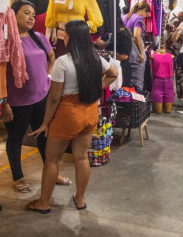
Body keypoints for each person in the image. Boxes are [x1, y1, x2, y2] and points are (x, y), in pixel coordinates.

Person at [26, 20, 118, 213]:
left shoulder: (63, 61)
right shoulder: (95, 58)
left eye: (64, 33)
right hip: (90, 111)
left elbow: (53, 98)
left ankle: (43, 202)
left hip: (68, 113)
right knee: (82, 156)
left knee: (51, 159)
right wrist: (95, 88)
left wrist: (45, 123)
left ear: (72, 37)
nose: (63, 36)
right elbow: (113, 74)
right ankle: (80, 198)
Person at [1, 0, 70, 192]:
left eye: (33, 14)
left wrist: (47, 77)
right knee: (15, 139)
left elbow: (51, 57)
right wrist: (3, 101)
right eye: (26, 13)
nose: (31, 17)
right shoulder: (5, 41)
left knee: (44, 138)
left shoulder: (39, 37)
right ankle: (18, 177)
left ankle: (52, 173)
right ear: (12, 15)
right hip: (16, 101)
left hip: (42, 98)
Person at [123, 1, 151, 91]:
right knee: (138, 82)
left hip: (125, 50)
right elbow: (136, 36)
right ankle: (137, 103)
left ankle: (128, 102)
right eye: (146, 13)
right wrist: (141, 53)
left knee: (127, 82)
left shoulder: (125, 17)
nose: (146, 16)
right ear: (143, 10)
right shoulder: (138, 19)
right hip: (135, 52)